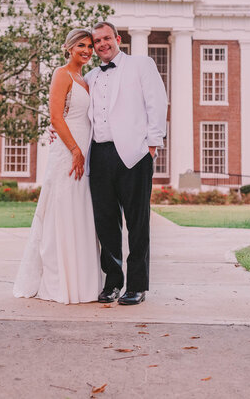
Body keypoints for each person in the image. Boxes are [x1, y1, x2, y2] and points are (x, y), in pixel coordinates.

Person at [12, 29, 102, 304]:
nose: (87, 50)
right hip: (68, 152)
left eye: (90, 46)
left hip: (85, 150)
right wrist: (75, 150)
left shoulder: (85, 79)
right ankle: (60, 281)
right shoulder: (61, 74)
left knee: (81, 213)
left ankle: (83, 281)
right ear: (69, 47)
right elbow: (55, 117)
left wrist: (84, 151)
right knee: (62, 212)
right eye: (81, 45)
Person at [85, 21, 168, 305]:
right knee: (105, 223)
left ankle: (137, 286)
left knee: (138, 222)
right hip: (99, 154)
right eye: (97, 41)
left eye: (106, 38)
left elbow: (157, 103)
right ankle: (112, 283)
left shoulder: (141, 65)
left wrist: (152, 146)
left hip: (135, 154)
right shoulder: (90, 76)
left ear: (117, 38)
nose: (102, 44)